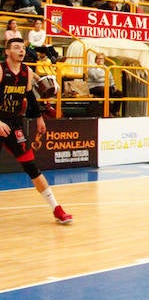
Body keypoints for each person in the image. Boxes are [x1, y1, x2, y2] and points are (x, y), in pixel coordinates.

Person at [0, 38, 72, 223]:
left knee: (32, 166)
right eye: (16, 47)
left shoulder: (27, 72)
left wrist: (39, 118)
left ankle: (56, 208)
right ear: (7, 52)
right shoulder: (1, 70)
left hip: (14, 124)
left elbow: (30, 97)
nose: (21, 51)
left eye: (23, 48)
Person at [86, 53, 123, 117]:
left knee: (119, 93)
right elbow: (95, 77)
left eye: (102, 58)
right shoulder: (92, 68)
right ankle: (107, 112)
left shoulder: (107, 68)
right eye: (99, 58)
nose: (100, 60)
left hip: (106, 87)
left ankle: (114, 111)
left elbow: (111, 78)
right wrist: (104, 75)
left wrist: (113, 85)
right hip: (94, 87)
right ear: (95, 60)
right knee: (105, 91)